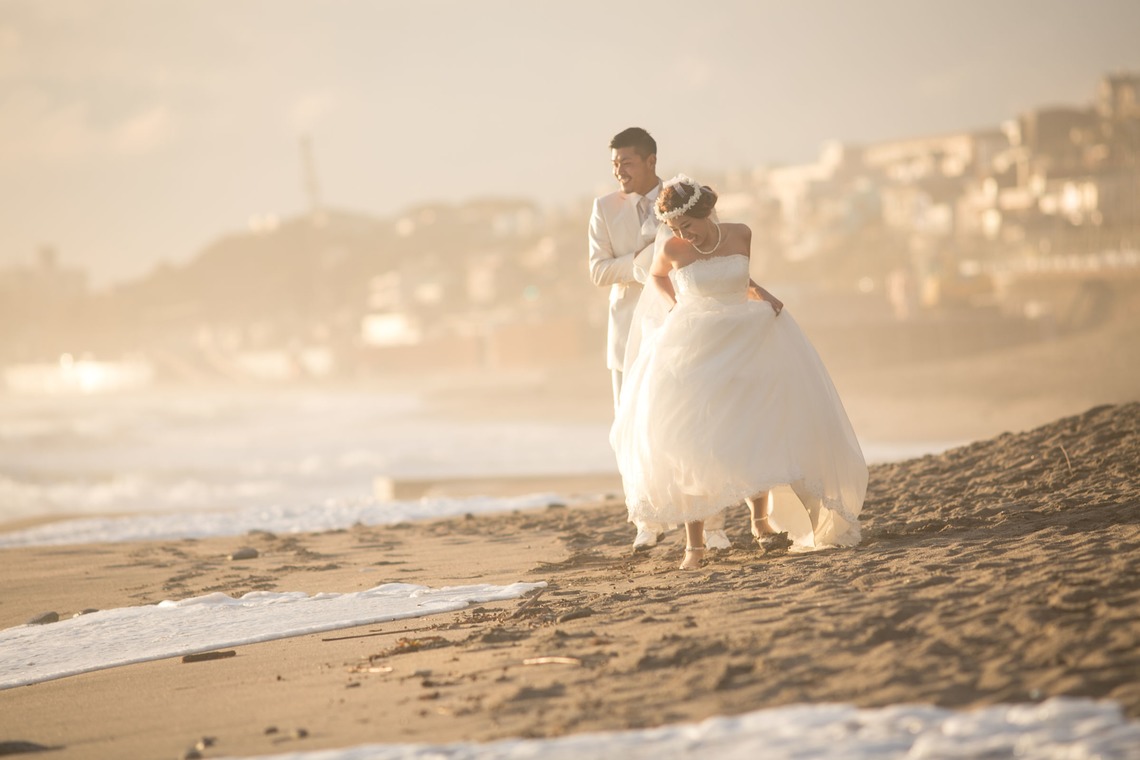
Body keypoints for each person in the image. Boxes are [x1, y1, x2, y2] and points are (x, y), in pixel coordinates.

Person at [610, 174, 868, 570]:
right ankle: (694, 547)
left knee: (753, 428)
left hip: (745, 340)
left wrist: (759, 292)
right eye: (676, 229)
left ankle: (760, 521)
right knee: (690, 442)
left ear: (706, 213)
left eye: (689, 226)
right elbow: (658, 277)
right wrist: (674, 305)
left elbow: (734, 272)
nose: (685, 235)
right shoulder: (673, 247)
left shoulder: (741, 233)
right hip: (694, 347)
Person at [589, 130, 729, 552]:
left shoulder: (684, 196)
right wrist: (648, 263)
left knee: (695, 425)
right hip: (626, 334)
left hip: (680, 328)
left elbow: (711, 247)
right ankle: (646, 520)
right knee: (631, 429)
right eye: (614, 164)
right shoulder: (602, 208)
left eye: (626, 162)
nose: (618, 171)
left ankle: (716, 522)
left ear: (650, 161)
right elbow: (598, 271)